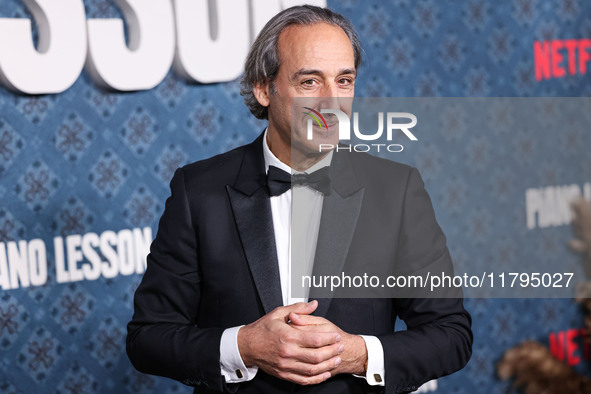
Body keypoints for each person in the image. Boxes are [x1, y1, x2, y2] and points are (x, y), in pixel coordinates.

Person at [126, 5, 472, 394]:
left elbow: (451, 335)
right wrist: (244, 347)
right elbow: (148, 339)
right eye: (310, 82)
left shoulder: (397, 190)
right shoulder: (198, 191)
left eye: (344, 81)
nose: (331, 101)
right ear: (264, 87)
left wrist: (356, 353)